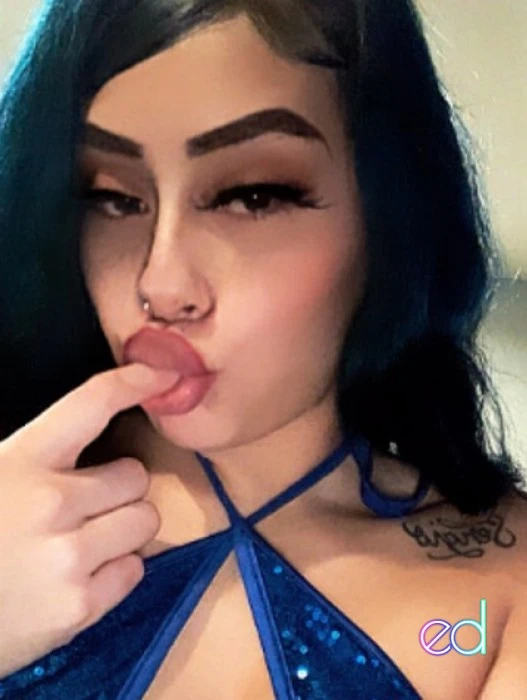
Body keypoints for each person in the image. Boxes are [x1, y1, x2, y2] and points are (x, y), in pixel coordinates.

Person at [0, 0, 526, 698]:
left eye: (252, 196)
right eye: (111, 198)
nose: (161, 285)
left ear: (391, 214)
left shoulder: (496, 592)